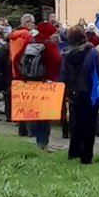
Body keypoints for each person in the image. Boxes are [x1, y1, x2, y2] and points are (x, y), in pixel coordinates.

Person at [61, 25, 99, 164]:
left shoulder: (66, 54)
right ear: (84, 37)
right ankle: (86, 157)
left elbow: (63, 75)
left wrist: (67, 89)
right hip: (90, 92)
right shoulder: (93, 53)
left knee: (76, 123)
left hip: (74, 92)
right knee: (89, 125)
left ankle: (73, 153)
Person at [29, 21, 63, 151]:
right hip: (47, 83)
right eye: (53, 32)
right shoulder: (50, 45)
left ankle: (37, 139)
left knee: (36, 113)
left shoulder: (32, 41)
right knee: (45, 115)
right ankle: (43, 143)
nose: (55, 35)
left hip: (33, 81)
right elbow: (57, 61)